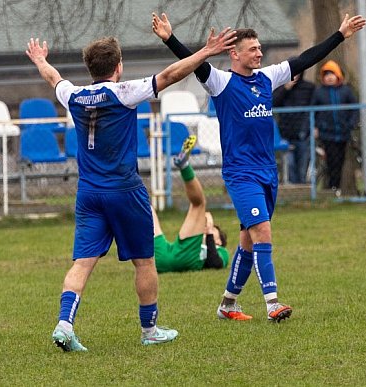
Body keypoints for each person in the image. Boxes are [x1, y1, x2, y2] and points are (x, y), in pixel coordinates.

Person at [25, 26, 237, 351]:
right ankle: (149, 330)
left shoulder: (75, 95)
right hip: (125, 191)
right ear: (118, 66)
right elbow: (170, 74)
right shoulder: (124, 92)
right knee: (145, 262)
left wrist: (40, 59)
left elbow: (53, 78)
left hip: (89, 194)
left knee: (82, 263)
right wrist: (206, 53)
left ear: (90, 68)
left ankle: (64, 324)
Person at [152, 12, 366, 322]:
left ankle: (228, 304)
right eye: (253, 49)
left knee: (248, 242)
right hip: (241, 175)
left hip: (268, 173)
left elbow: (305, 59)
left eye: (260, 48)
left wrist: (340, 34)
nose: (260, 53)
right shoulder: (220, 80)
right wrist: (170, 38)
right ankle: (272, 303)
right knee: (263, 231)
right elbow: (192, 61)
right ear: (234, 53)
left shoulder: (268, 77)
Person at [153, 136, 231, 274]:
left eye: (214, 232)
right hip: (161, 259)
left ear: (219, 242)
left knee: (199, 204)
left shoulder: (222, 251)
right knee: (146, 210)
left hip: (185, 258)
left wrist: (209, 234)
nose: (207, 229)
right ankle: (127, 174)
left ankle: (184, 166)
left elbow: (215, 264)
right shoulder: (197, 244)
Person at [311, 60, 358, 196]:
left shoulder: (346, 91)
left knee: (340, 161)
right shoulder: (319, 92)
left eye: (332, 74)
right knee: (331, 161)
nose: (329, 77)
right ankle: (332, 188)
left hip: (343, 133)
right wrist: (315, 127)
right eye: (326, 75)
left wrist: (351, 123)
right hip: (327, 133)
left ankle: (335, 188)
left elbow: (354, 109)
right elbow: (313, 111)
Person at [273, 76, 315, 184]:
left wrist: (310, 128)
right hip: (285, 133)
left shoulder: (309, 88)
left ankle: (302, 190)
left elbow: (314, 106)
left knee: (302, 166)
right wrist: (285, 89)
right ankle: (292, 190)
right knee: (289, 165)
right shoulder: (281, 88)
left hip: (303, 133)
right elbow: (272, 102)